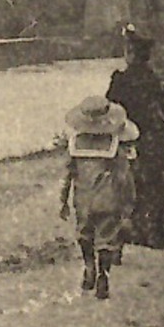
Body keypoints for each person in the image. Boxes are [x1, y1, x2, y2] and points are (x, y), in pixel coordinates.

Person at [107, 24, 164, 250]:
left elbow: (110, 109)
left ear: (131, 53)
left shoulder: (121, 79)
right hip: (158, 136)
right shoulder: (153, 77)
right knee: (159, 184)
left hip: (135, 137)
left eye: (127, 49)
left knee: (136, 183)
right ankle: (161, 234)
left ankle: (142, 231)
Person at [58, 95, 138, 300]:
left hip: (83, 198)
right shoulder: (114, 147)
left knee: (84, 234)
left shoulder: (76, 145)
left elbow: (68, 175)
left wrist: (63, 201)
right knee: (107, 238)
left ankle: (88, 266)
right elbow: (124, 178)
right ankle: (103, 275)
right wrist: (128, 204)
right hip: (107, 198)